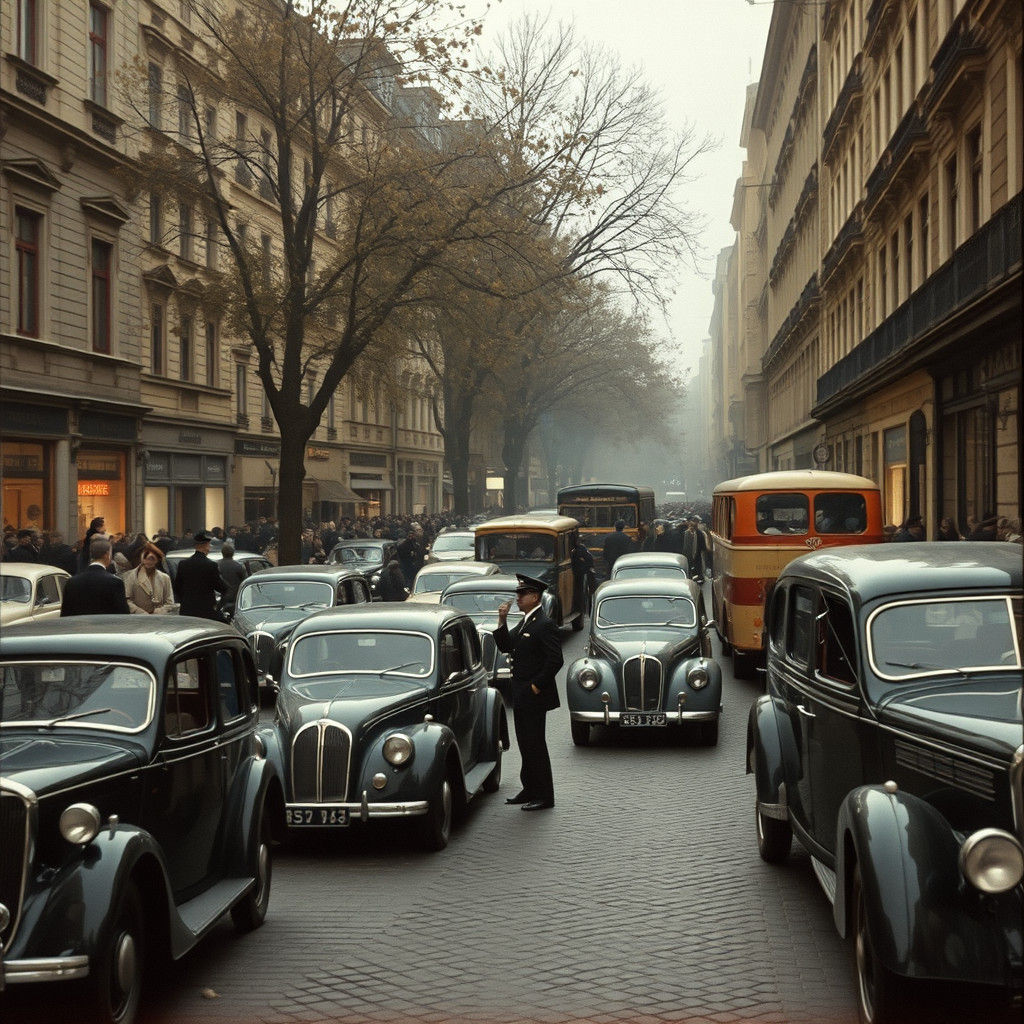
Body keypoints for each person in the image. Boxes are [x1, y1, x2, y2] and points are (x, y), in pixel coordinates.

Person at [493, 574, 563, 812]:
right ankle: (530, 788)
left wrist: (536, 686)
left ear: (535, 597)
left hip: (534, 696)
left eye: (522, 594)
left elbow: (555, 660)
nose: (518, 598)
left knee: (535, 745)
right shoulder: (527, 622)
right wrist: (502, 620)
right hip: (521, 695)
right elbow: (506, 645)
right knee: (525, 744)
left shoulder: (544, 624)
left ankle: (544, 795)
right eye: (518, 593)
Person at [61, 536, 131, 616]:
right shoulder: (115, 582)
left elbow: (65, 613)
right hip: (106, 623)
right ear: (107, 554)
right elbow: (123, 614)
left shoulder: (72, 582)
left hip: (80, 623)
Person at [173, 531, 226, 619]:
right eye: (209, 545)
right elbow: (220, 587)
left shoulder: (183, 564)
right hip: (206, 610)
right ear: (206, 545)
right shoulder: (211, 565)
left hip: (187, 610)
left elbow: (177, 587)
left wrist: (185, 600)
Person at [123, 543, 175, 614]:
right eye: (146, 558)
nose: (149, 562)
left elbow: (170, 602)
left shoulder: (165, 578)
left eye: (152, 559)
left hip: (159, 618)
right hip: (138, 618)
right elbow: (126, 600)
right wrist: (139, 611)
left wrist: (160, 611)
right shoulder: (130, 576)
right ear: (142, 558)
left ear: (157, 560)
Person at [218, 543, 249, 609]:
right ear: (233, 554)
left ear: (222, 553)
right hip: (235, 598)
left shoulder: (216, 565)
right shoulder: (238, 566)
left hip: (220, 597)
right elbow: (245, 581)